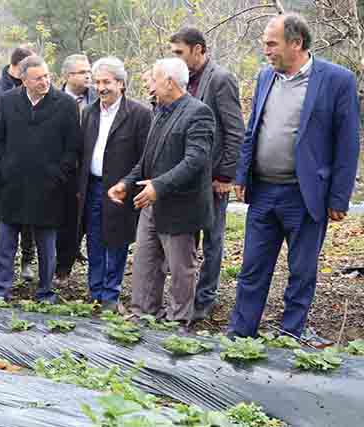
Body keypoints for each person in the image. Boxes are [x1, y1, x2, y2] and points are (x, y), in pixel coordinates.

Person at [229, 14, 360, 339]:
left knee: (301, 272)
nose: (266, 50)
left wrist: (339, 198)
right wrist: (242, 175)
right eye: (265, 44)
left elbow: (347, 143)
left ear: (296, 43)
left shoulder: (336, 80)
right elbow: (253, 129)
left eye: (272, 44)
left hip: (305, 195)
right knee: (252, 269)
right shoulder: (265, 77)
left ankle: (290, 336)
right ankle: (240, 335)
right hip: (263, 192)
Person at [108, 58, 215, 332]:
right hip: (151, 204)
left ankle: (178, 322)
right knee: (145, 262)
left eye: (154, 80)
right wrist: (126, 183)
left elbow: (195, 161)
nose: (150, 86)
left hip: (182, 207)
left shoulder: (198, 113)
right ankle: (143, 314)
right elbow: (147, 160)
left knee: (180, 269)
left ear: (169, 82)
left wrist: (159, 186)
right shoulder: (159, 112)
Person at [0, 55, 81, 302]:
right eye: (38, 78)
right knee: (6, 242)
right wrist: (3, 170)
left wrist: (58, 175)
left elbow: (73, 147)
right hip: (13, 185)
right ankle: (0, 289)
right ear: (24, 80)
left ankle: (45, 291)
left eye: (47, 76)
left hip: (49, 187)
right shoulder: (7, 101)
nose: (45, 81)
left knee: (46, 245)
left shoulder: (65, 104)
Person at [169, 27, 245, 320]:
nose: (175, 58)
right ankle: (185, 298)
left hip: (213, 178)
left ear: (198, 49)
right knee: (186, 239)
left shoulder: (220, 79)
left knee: (213, 240)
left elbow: (235, 130)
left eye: (180, 52)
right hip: (186, 176)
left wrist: (225, 175)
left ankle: (206, 298)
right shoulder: (181, 80)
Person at [77, 57, 151, 312]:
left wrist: (129, 185)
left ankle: (111, 293)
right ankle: (95, 290)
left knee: (117, 240)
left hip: (120, 189)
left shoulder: (139, 114)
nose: (101, 88)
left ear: (121, 83)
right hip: (92, 186)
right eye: (97, 82)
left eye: (106, 82)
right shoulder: (89, 112)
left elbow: (144, 157)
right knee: (94, 239)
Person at [0, 46, 38, 282]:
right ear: (19, 66)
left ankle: (27, 259)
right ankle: (1, 272)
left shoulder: (39, 86)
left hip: (34, 166)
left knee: (30, 222)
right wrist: (2, 166)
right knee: (5, 223)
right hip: (8, 166)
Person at [54, 53, 98, 286]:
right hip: (60, 171)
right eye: (82, 72)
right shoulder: (53, 100)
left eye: (89, 71)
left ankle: (69, 266)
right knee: (62, 221)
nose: (88, 76)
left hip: (90, 170)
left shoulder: (98, 99)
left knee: (83, 222)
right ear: (67, 75)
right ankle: (58, 267)